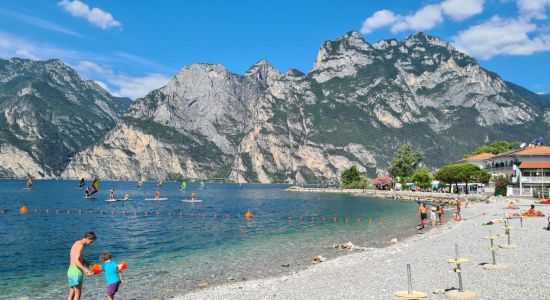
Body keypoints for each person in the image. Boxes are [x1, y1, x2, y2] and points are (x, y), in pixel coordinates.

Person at [67, 232, 97, 300]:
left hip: (70, 271)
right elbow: (76, 261)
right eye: (91, 241)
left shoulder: (76, 243)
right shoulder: (80, 245)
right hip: (76, 272)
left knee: (72, 293)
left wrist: (85, 262)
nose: (91, 243)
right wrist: (85, 269)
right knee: (77, 295)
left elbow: (76, 257)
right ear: (86, 238)